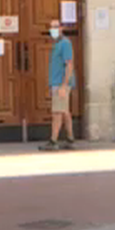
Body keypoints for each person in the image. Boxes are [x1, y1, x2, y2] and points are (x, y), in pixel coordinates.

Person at [39, 19, 76, 150]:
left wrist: (63, 86)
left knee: (57, 113)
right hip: (57, 83)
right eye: (51, 27)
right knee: (65, 112)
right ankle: (70, 139)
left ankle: (53, 141)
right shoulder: (57, 44)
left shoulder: (65, 44)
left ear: (61, 28)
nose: (53, 29)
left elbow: (69, 64)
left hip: (61, 84)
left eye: (55, 27)